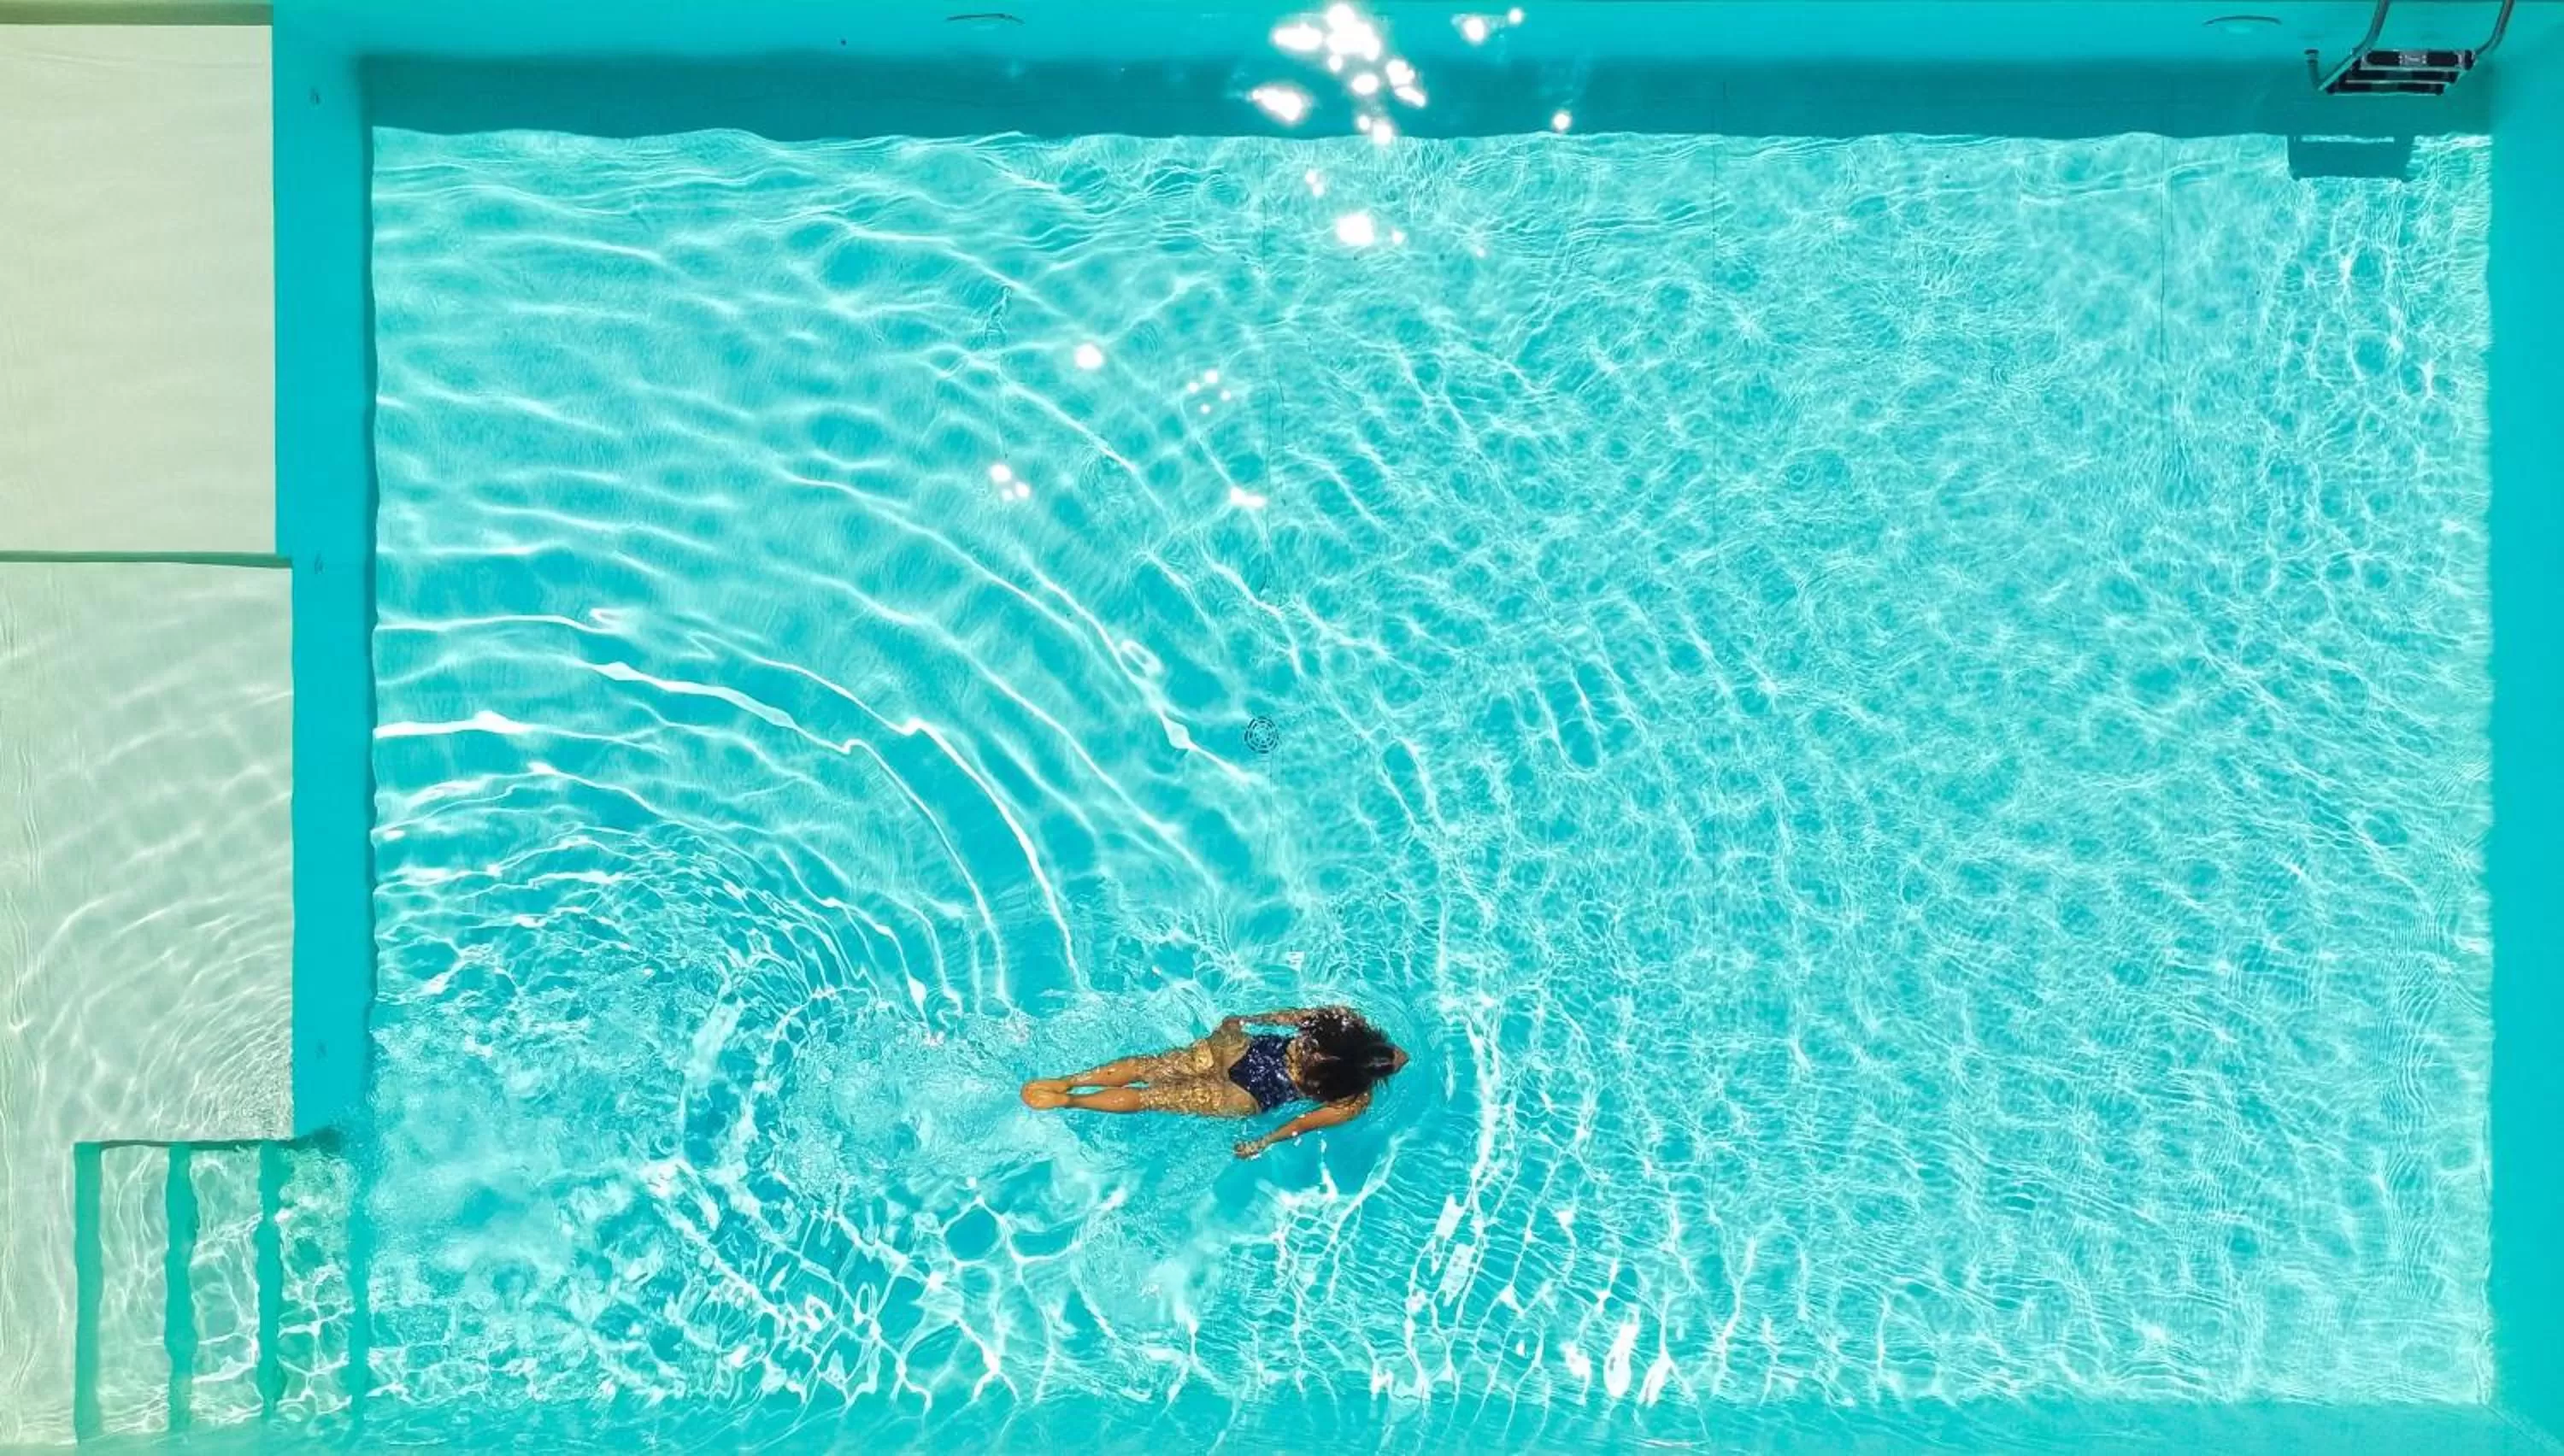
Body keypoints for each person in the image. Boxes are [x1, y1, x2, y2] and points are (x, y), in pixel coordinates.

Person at [1020, 1005, 1408, 1159]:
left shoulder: (1340, 1021)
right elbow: (1301, 1124)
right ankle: (1072, 1103)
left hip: (1244, 1051)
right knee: (1150, 1099)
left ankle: (1070, 1081)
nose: (1400, 1058)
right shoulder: (1355, 1100)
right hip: (1247, 1095)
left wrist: (1242, 1022)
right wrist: (1262, 1142)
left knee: (1147, 1067)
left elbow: (1287, 1018)